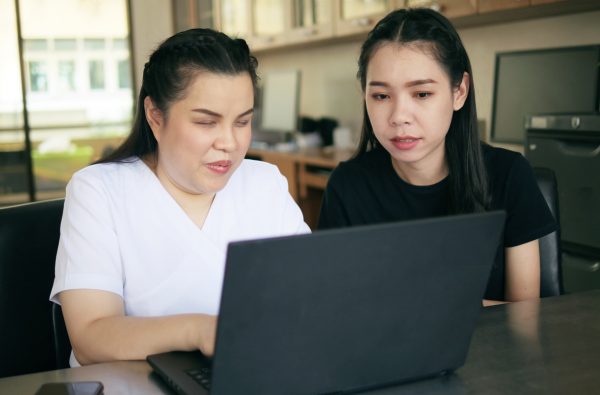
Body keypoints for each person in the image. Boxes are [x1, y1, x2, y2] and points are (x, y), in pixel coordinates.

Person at [50, 28, 310, 367]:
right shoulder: (98, 191)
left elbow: (310, 298)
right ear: (156, 116)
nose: (229, 143)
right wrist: (201, 330)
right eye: (206, 122)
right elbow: (91, 337)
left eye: (242, 121)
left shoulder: (264, 184)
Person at [318, 8, 556, 305]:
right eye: (381, 96)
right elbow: (336, 306)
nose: (399, 117)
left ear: (459, 92)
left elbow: (524, 316)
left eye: (422, 94)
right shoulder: (347, 186)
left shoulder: (508, 175)